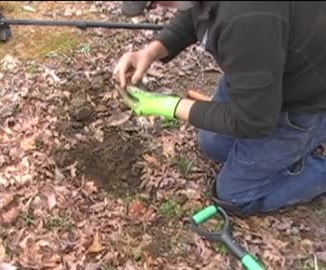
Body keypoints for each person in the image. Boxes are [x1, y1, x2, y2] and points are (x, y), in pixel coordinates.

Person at [113, 1, 326, 217]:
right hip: (259, 78)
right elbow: (195, 12)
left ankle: (312, 166)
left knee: (234, 196)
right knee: (213, 144)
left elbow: (253, 120)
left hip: (306, 101)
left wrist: (170, 105)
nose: (158, 6)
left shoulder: (247, 20)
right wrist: (150, 52)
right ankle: (279, 154)